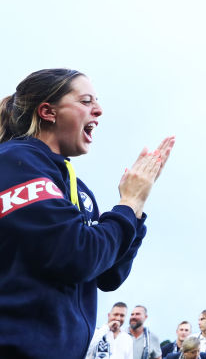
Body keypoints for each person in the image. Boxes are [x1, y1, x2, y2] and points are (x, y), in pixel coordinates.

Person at [0, 68, 174, 359]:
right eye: (86, 101)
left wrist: (136, 207)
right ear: (48, 112)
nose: (99, 110)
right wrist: (127, 204)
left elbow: (108, 275)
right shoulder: (16, 162)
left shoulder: (78, 190)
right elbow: (78, 255)